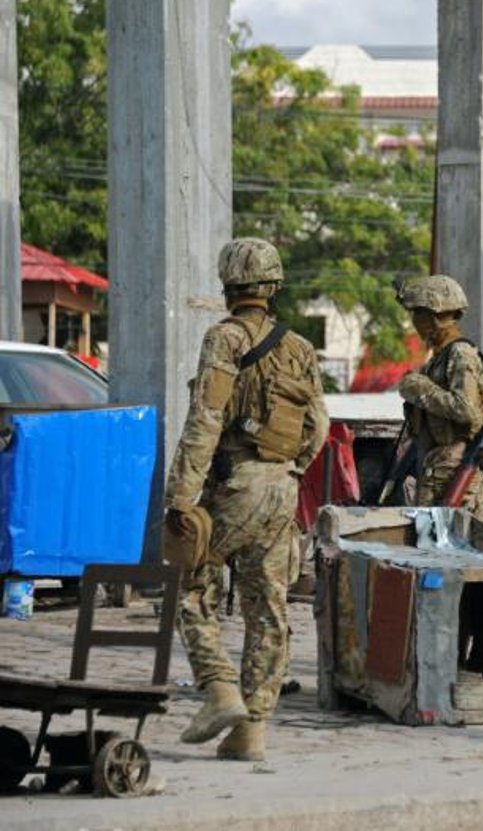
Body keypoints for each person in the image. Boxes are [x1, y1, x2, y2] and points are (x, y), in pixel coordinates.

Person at [164, 237, 329, 761]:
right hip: (284, 488)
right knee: (268, 608)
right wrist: (293, 470)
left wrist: (181, 497)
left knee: (189, 581)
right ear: (274, 286)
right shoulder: (299, 347)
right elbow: (319, 425)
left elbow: (205, 419)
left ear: (228, 286)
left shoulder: (224, 339)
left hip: (236, 483)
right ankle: (251, 731)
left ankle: (218, 689)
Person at [395, 274, 483, 519]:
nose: (414, 321)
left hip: (453, 468)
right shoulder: (440, 356)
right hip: (440, 464)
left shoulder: (460, 354)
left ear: (433, 316)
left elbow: (466, 410)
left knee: (447, 549)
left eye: (417, 313)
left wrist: (419, 389)